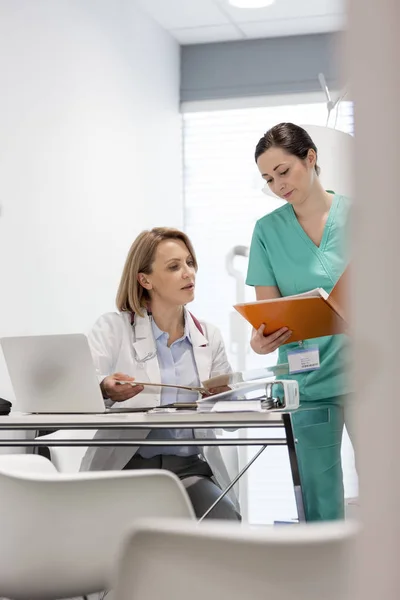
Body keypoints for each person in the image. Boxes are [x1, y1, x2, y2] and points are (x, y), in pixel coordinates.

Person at [80, 227, 240, 521]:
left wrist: (224, 400)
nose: (188, 273)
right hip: (129, 467)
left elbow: (230, 419)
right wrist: (104, 387)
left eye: (190, 263)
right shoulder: (113, 329)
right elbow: (80, 384)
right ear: (145, 280)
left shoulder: (209, 336)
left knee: (224, 521)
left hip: (191, 468)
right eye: (174, 266)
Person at [246, 122, 351, 522]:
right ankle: (327, 580)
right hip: (308, 381)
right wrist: (261, 342)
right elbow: (269, 317)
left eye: (283, 171)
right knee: (319, 497)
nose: (278, 184)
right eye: (268, 178)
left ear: (310, 158)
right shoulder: (267, 232)